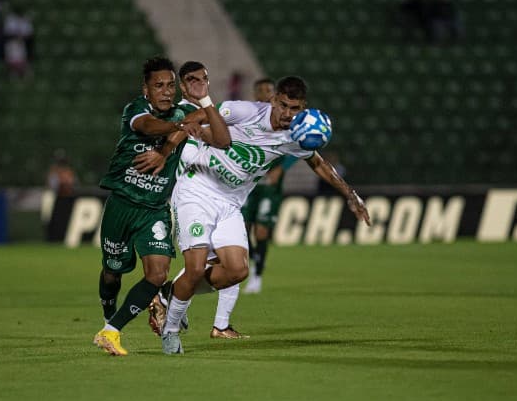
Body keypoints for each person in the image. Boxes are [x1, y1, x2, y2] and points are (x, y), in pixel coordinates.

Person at [136, 76, 370, 355]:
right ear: (273, 99)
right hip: (196, 191)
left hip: (230, 203)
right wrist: (168, 149)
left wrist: (350, 195)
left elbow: (318, 164)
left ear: (303, 108)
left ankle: (167, 295)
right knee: (196, 267)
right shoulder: (245, 112)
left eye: (294, 108)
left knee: (237, 270)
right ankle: (170, 331)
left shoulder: (295, 137)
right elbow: (195, 116)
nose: (287, 113)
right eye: (282, 105)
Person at [92, 57, 230, 356]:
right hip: (122, 204)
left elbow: (222, 139)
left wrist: (204, 102)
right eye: (158, 86)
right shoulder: (136, 110)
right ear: (146, 89)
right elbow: (147, 126)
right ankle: (108, 315)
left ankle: (111, 331)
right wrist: (180, 128)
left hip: (154, 208)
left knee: (157, 274)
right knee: (112, 272)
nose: (166, 92)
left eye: (170, 85)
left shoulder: (185, 111)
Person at [146, 61, 248, 339]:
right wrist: (165, 152)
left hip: (223, 196)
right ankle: (178, 300)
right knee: (197, 267)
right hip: (194, 198)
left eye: (201, 78)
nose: (196, 83)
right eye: (190, 79)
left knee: (233, 266)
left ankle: (208, 316)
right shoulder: (184, 112)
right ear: (182, 84)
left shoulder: (215, 111)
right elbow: (186, 130)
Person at [241, 78, 297, 294]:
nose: (265, 94)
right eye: (261, 90)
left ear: (275, 96)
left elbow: (297, 148)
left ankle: (257, 274)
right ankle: (253, 258)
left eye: (269, 91)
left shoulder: (285, 122)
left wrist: (281, 169)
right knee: (243, 229)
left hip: (269, 187)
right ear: (255, 94)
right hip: (248, 185)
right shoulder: (251, 117)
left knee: (262, 231)